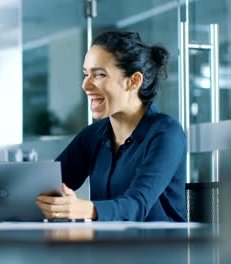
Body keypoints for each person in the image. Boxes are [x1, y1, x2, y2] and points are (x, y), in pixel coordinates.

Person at [36, 31, 186, 222]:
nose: (85, 85)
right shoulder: (93, 136)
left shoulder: (166, 133)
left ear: (133, 81)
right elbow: (48, 185)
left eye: (98, 75)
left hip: (162, 248)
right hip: (108, 248)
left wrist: (85, 210)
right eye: (86, 74)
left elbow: (137, 205)